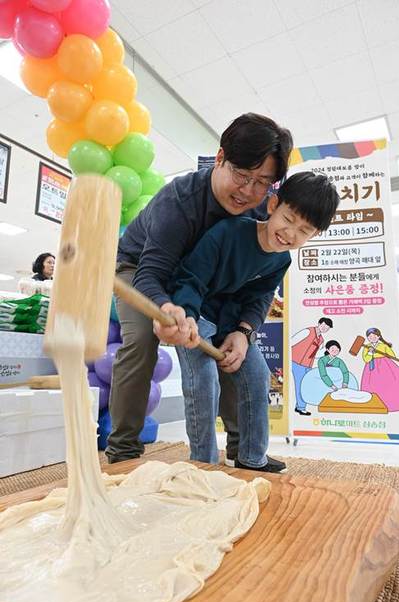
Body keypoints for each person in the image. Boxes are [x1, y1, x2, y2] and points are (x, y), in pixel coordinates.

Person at [106, 113, 293, 465]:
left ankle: (242, 449)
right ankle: (123, 450)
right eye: (242, 175)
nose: (249, 192)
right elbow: (150, 273)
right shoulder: (179, 200)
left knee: (231, 351)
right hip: (140, 269)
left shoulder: (257, 213)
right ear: (220, 157)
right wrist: (168, 308)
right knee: (142, 341)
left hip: (201, 282)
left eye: (262, 183)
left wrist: (244, 330)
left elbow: (259, 286)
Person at [167, 172, 339, 471]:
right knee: (204, 380)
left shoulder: (281, 260)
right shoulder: (229, 232)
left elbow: (259, 299)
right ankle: (203, 463)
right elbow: (190, 279)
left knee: (258, 376)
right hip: (196, 316)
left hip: (232, 324)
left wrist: (244, 332)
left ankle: (251, 457)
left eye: (305, 230)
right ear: (273, 205)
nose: (290, 233)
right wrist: (189, 318)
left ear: (314, 236)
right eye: (289, 219)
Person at [291, 317, 333, 416]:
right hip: (294, 361)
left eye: (327, 327)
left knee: (304, 386)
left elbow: (316, 354)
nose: (325, 328)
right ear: (319, 323)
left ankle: (300, 407)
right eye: (324, 325)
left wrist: (326, 353)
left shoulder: (321, 340)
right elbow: (291, 341)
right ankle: (301, 407)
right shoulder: (307, 331)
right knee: (299, 385)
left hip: (307, 365)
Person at [361, 327, 399, 411]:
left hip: (386, 366)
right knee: (372, 386)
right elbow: (366, 359)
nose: (372, 338)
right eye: (370, 337)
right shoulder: (367, 347)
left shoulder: (383, 346)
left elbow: (392, 355)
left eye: (374, 336)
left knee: (389, 384)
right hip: (371, 368)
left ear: (378, 337)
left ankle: (392, 405)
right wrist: (370, 352)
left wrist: (385, 353)